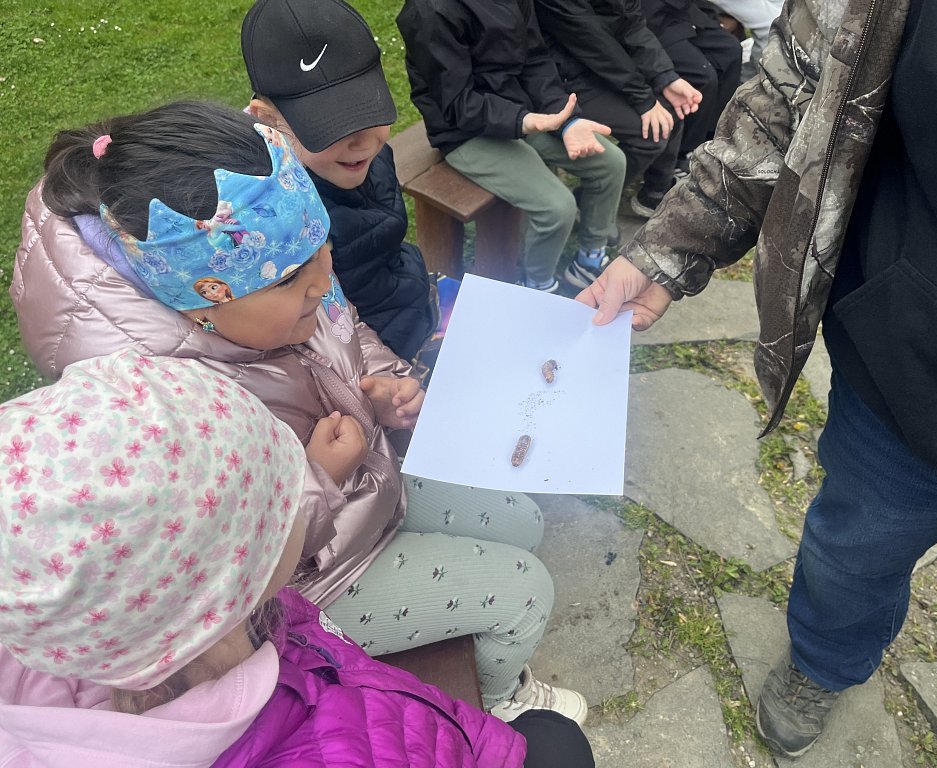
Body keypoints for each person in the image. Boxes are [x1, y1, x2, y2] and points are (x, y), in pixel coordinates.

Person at [11, 101, 588, 724]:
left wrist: (381, 383)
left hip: (367, 484)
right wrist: (317, 478)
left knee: (524, 520)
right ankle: (501, 702)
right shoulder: (158, 408)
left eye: (324, 248)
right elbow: (225, 579)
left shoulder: (270, 276)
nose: (322, 280)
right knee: (524, 591)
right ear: (197, 304)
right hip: (304, 589)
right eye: (292, 278)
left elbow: (341, 325)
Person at [576, 0, 937, 764]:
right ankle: (824, 660)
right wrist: (669, 246)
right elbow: (792, 94)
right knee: (848, 561)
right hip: (912, 381)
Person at [0, 350, 596, 768]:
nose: (299, 496)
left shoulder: (82, 622)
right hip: (418, 736)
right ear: (235, 578)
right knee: (558, 742)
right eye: (286, 493)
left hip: (372, 705)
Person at [239, 0, 435, 363]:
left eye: (369, 110)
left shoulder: (359, 158)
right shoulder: (272, 222)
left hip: (410, 307)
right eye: (332, 128)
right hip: (374, 355)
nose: (364, 143)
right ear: (269, 121)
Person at [396, 0, 627, 293]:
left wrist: (566, 121)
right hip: (463, 131)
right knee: (556, 207)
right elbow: (457, 104)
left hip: (519, 110)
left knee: (611, 163)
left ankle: (588, 262)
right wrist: (524, 121)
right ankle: (537, 286)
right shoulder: (430, 11)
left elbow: (535, 58)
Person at [531, 0, 703, 218]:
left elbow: (632, 22)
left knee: (671, 111)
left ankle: (655, 193)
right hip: (562, 80)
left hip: (599, 68)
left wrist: (664, 76)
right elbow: (592, 41)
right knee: (649, 135)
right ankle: (588, 204)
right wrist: (643, 98)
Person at [638, 0, 742, 167]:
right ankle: (685, 151)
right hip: (652, 19)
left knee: (732, 51)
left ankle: (714, 136)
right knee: (703, 76)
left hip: (684, 11)